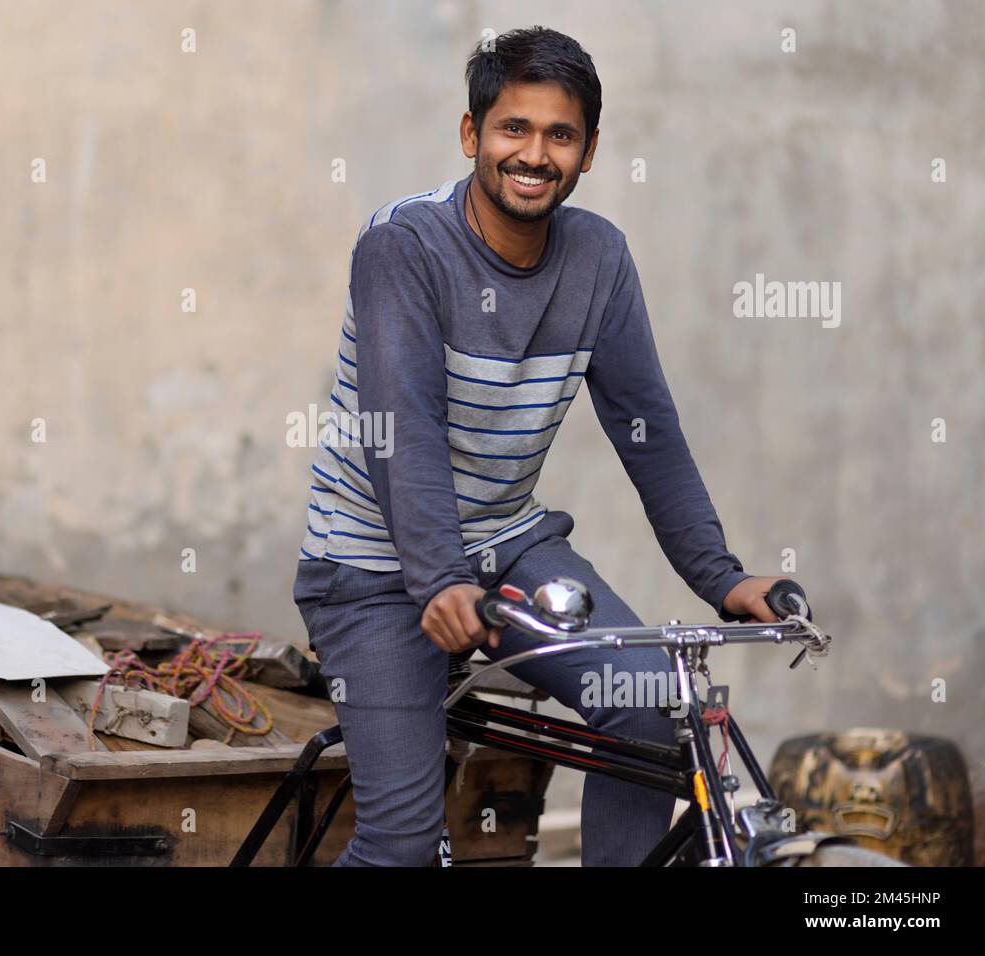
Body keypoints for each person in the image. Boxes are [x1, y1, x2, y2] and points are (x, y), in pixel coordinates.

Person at [293, 26, 789, 867]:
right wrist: (439, 578)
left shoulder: (599, 259)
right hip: (373, 570)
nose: (534, 154)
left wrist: (723, 575)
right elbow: (400, 430)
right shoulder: (403, 248)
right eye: (512, 129)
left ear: (589, 151)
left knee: (645, 708)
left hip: (509, 548)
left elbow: (648, 430)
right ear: (471, 136)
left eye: (559, 134)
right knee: (403, 844)